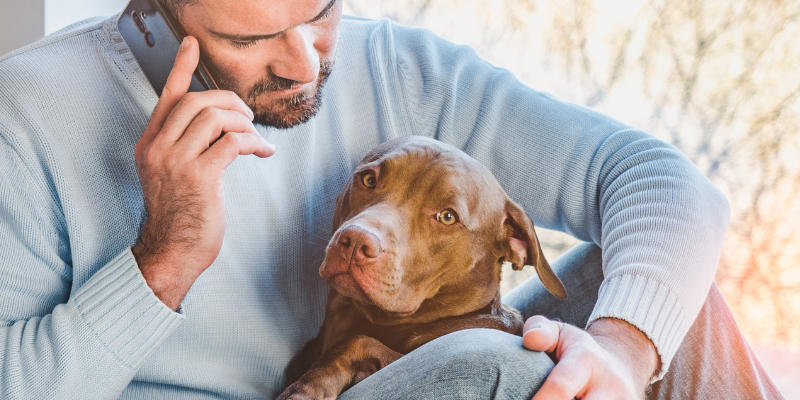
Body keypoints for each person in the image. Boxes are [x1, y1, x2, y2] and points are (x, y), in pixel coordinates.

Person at [0, 0, 781, 399]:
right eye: (249, 41)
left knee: (674, 306)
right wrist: (160, 263)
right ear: (157, 14)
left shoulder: (394, 68)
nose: (305, 64)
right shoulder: (30, 115)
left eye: (321, 12)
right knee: (496, 368)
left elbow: (664, 183)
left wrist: (618, 349)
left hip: (386, 364)